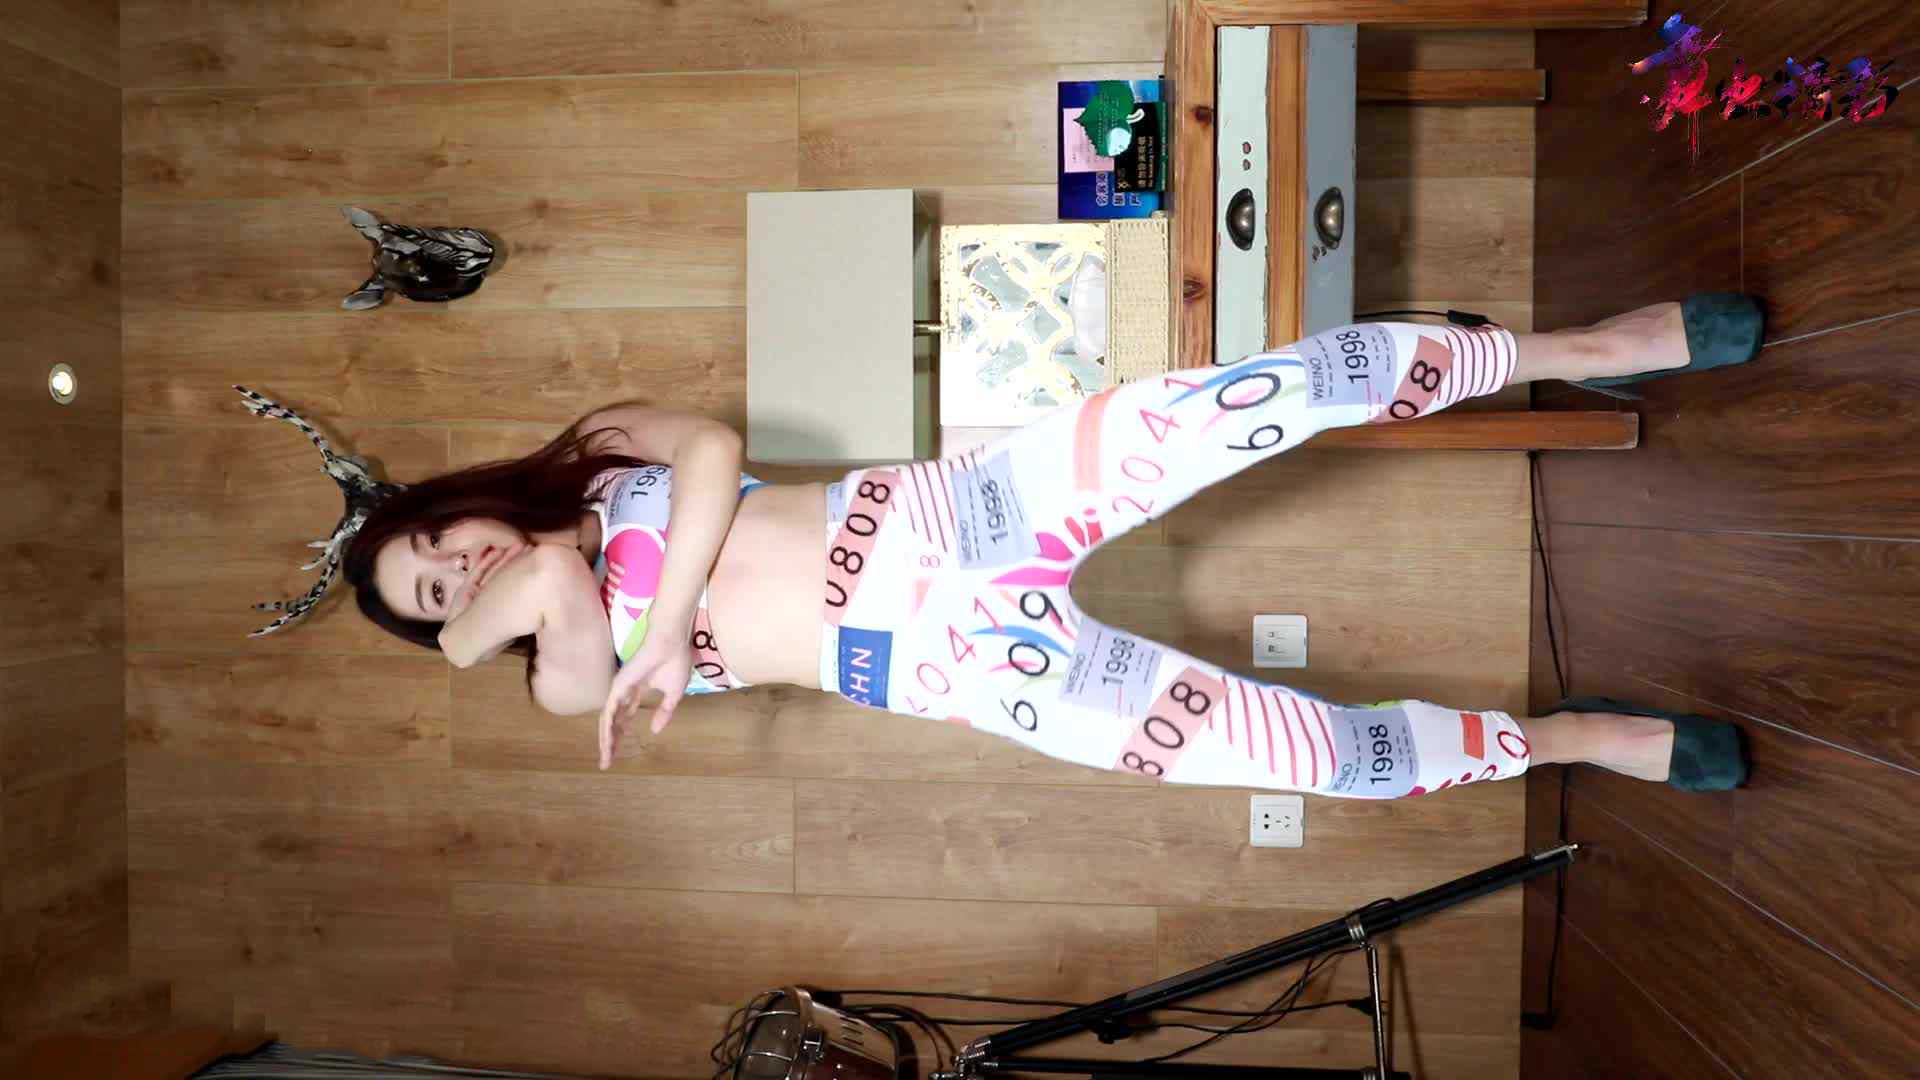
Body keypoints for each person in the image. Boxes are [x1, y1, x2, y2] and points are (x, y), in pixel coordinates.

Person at [326, 297, 1759, 795]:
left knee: (1251, 396)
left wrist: (667, 602)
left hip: (950, 512)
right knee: (1302, 761)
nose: (462, 570)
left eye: (436, 541)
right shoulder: (562, 681)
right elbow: (555, 581)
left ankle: (1579, 349)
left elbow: (710, 449)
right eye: (438, 596)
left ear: (454, 497)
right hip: (955, 662)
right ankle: (1564, 741)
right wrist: (474, 634)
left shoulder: (598, 452)